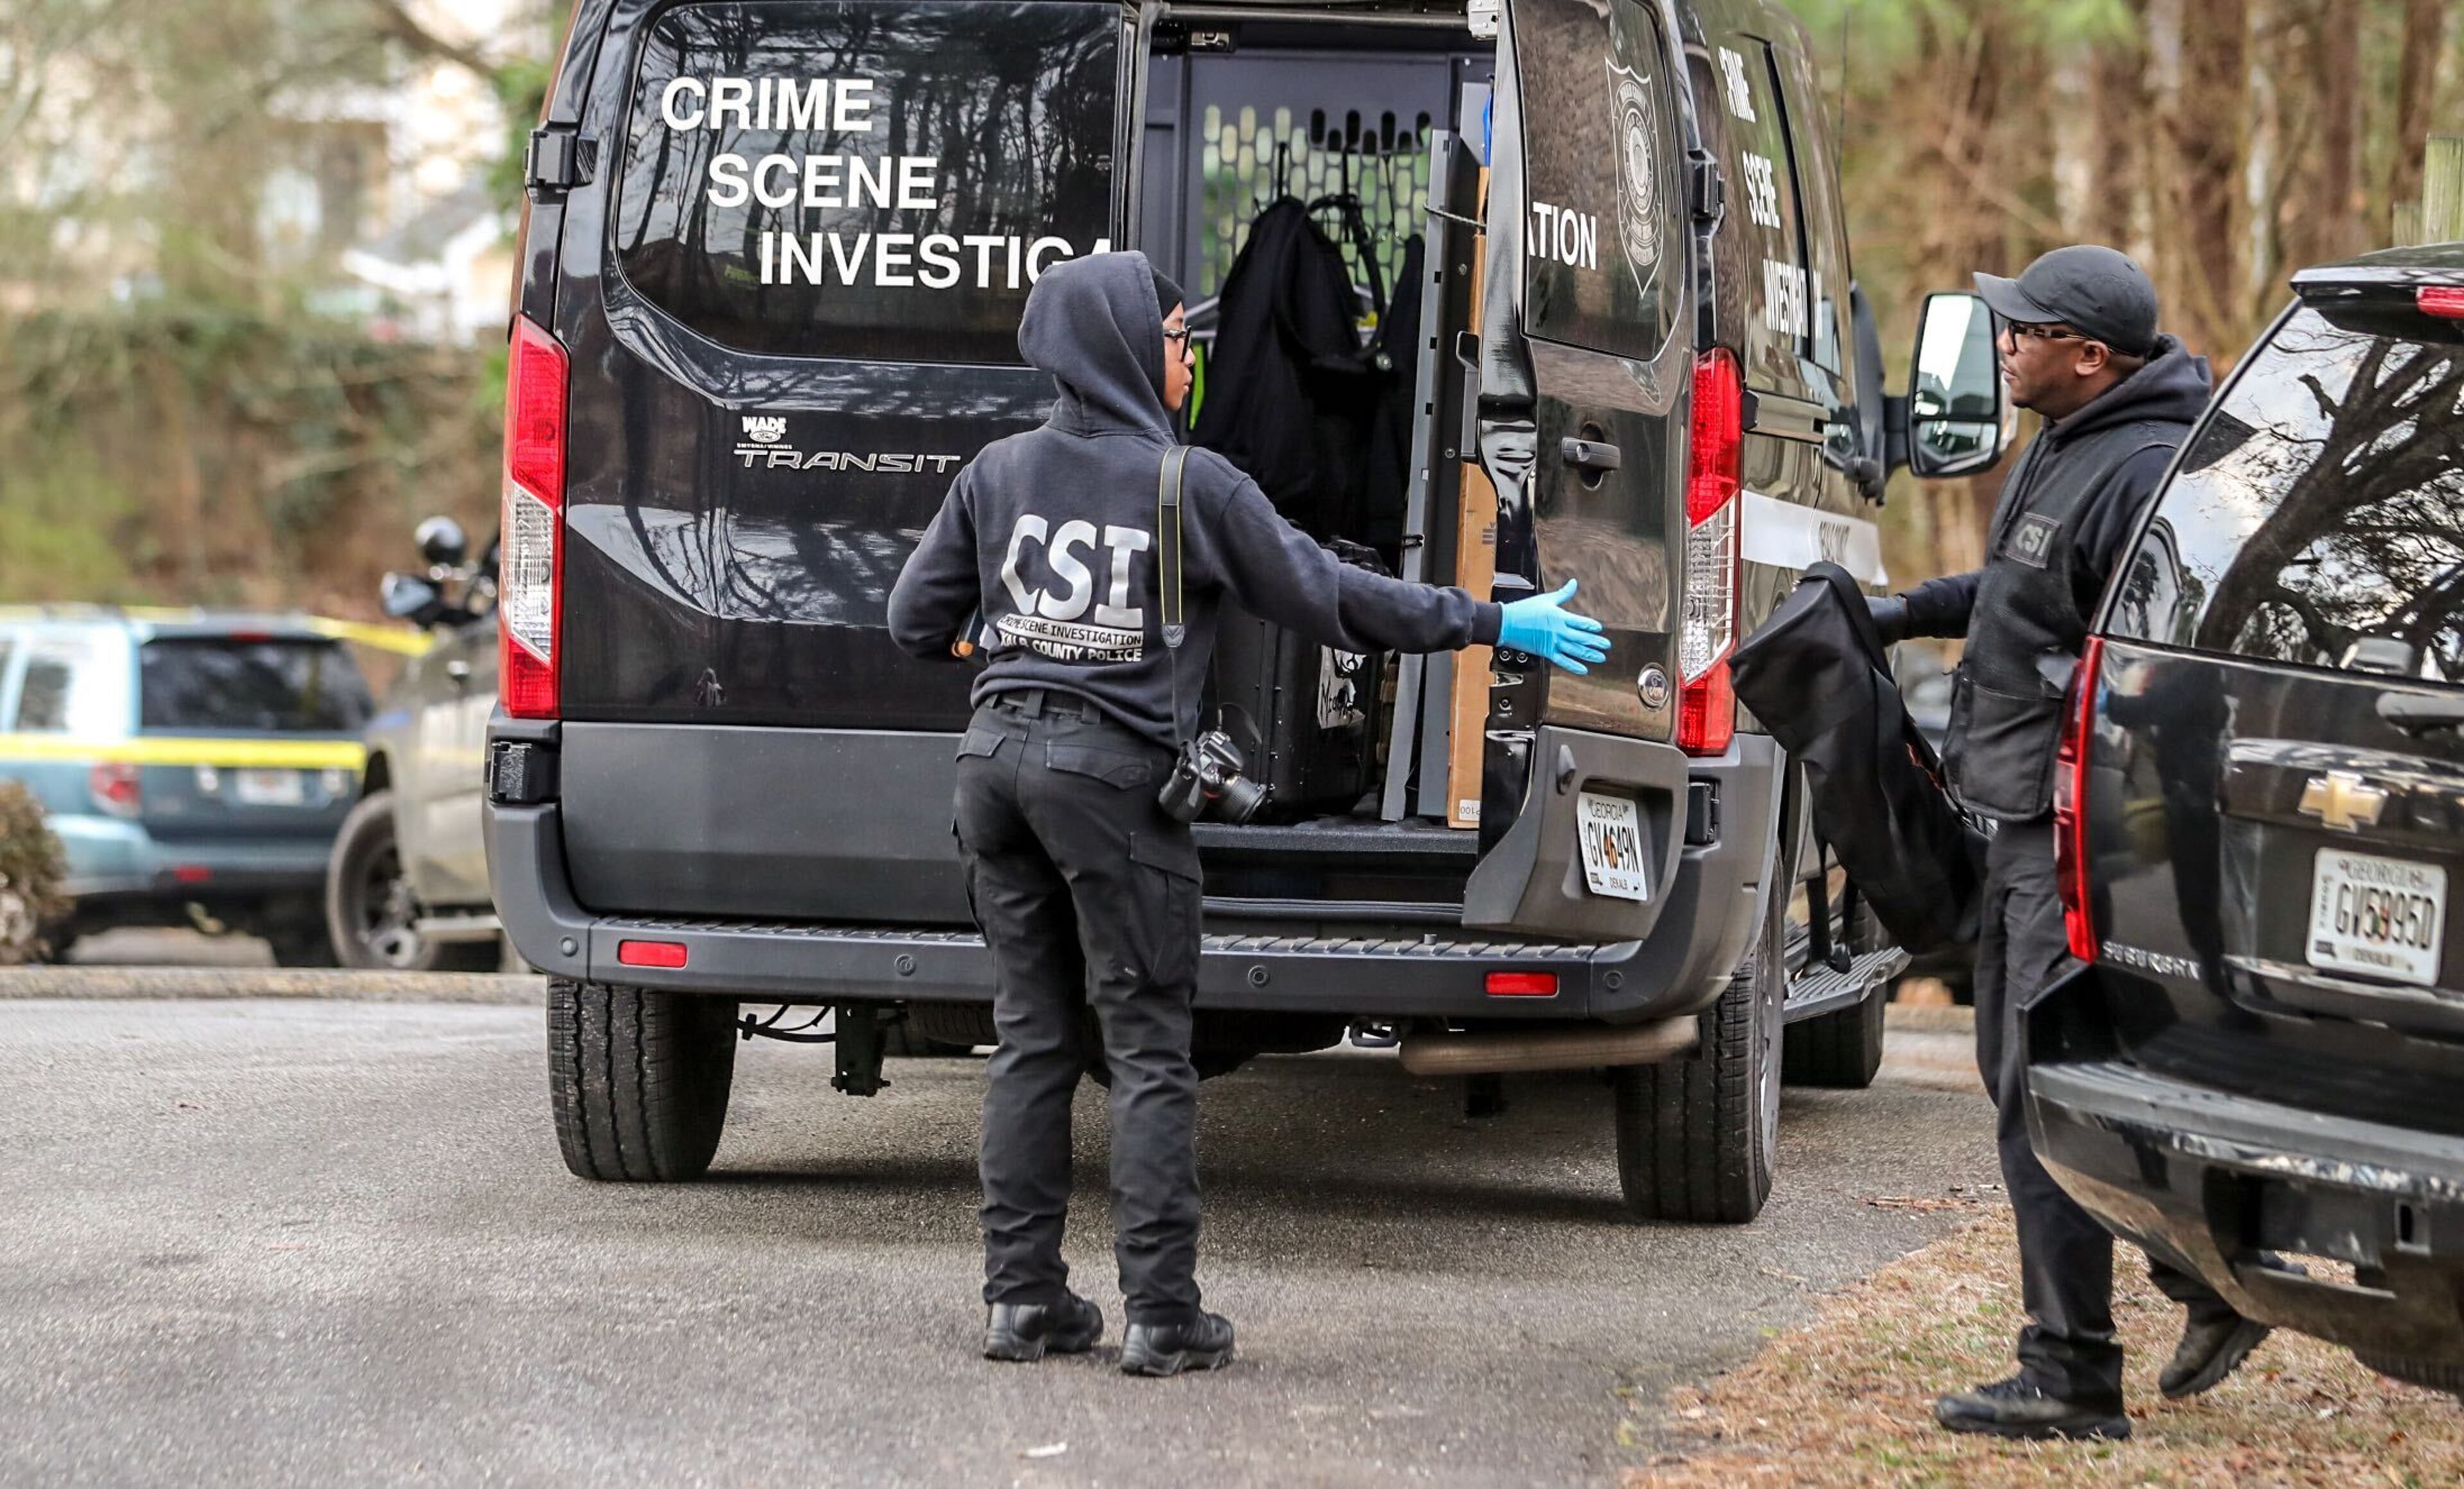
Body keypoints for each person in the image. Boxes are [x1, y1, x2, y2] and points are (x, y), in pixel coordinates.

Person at [886, 250, 1606, 1377]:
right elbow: (1333, 595)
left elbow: (911, 621)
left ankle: (1022, 1301)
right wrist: (1493, 622)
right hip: (1110, 789)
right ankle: (1163, 1315)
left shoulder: (997, 472)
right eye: (1179, 339)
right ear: (1130, 349)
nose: (1190, 361)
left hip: (993, 774)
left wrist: (1007, 647)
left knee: (1031, 1038)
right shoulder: (1192, 486)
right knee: (1146, 1048)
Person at [1871, 245, 2276, 1441]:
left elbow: (2152, 664)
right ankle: (2201, 1281)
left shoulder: (2148, 469)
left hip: (2075, 838)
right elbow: (2023, 595)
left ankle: (2072, 1371)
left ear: (2090, 355)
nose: (2003, 342)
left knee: (2040, 1089)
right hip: (2014, 822)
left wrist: (2078, 800)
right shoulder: (2065, 441)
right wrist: (1901, 610)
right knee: (2025, 1076)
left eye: (2025, 328)